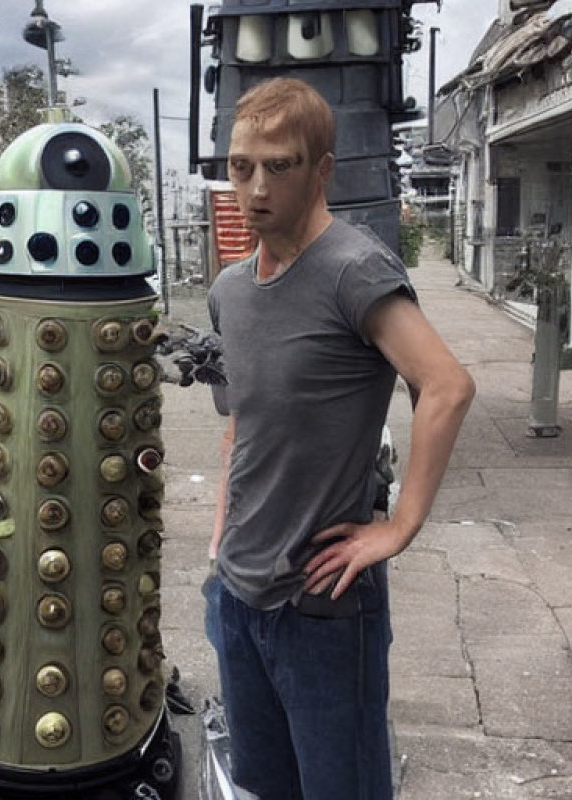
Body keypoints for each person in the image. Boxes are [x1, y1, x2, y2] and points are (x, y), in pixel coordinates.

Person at [203, 77, 475, 799]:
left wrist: (399, 527)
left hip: (320, 605)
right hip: (238, 595)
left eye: (280, 165)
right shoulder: (229, 292)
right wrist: (220, 535)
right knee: (265, 786)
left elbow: (446, 387)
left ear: (322, 169)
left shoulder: (355, 271)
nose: (255, 187)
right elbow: (243, 423)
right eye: (239, 166)